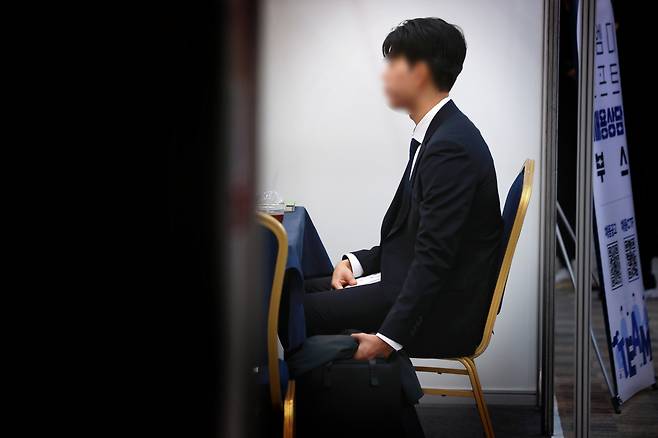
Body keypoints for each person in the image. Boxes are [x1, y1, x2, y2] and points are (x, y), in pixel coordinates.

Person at [304, 17, 503, 362]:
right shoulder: (440, 134)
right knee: (294, 289)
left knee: (291, 309)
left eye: (392, 62)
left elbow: (434, 257)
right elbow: (410, 238)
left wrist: (389, 338)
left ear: (420, 72)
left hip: (440, 315)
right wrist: (355, 263)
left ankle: (301, 408)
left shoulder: (450, 147)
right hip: (407, 286)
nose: (384, 74)